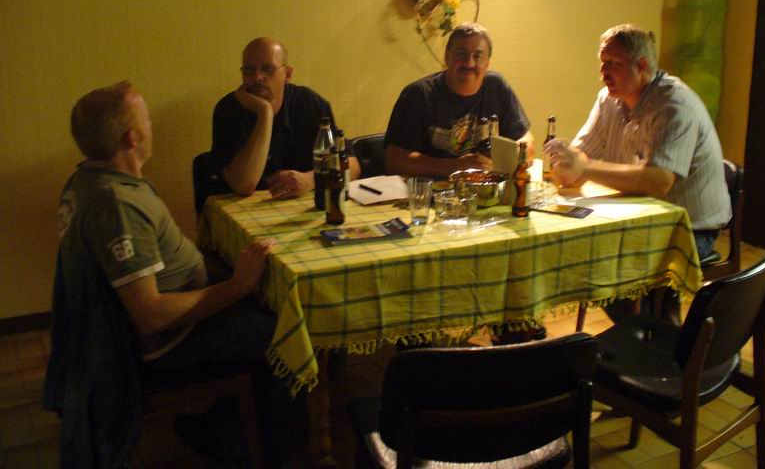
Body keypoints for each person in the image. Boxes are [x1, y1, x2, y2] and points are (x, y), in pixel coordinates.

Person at [44, 81, 293, 466]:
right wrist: (238, 285)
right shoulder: (116, 204)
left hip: (151, 324)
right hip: (167, 341)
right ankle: (257, 445)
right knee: (283, 330)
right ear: (132, 137)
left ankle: (229, 420)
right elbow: (152, 316)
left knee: (263, 297)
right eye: (147, 119)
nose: (151, 126)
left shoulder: (87, 180)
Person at [546, 24, 731, 321]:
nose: (603, 73)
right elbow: (583, 153)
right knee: (584, 255)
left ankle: (649, 333)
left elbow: (659, 181)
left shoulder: (674, 104)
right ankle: (649, 329)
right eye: (602, 63)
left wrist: (585, 168)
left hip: (689, 228)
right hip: (640, 218)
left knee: (603, 265)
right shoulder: (609, 98)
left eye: (612, 64)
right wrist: (568, 163)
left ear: (642, 66)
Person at [212, 36, 359, 198]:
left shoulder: (308, 103)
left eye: (267, 69)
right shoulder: (229, 110)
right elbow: (243, 185)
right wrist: (265, 114)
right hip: (242, 208)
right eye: (249, 70)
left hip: (303, 206)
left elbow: (352, 165)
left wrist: (311, 180)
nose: (257, 77)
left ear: (287, 74)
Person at [384, 23, 534, 178]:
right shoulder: (419, 94)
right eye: (461, 54)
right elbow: (394, 160)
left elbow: (527, 142)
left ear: (487, 63)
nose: (469, 63)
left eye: (477, 56)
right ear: (447, 56)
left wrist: (506, 158)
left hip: (485, 188)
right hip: (432, 190)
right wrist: (455, 166)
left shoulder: (496, 86)